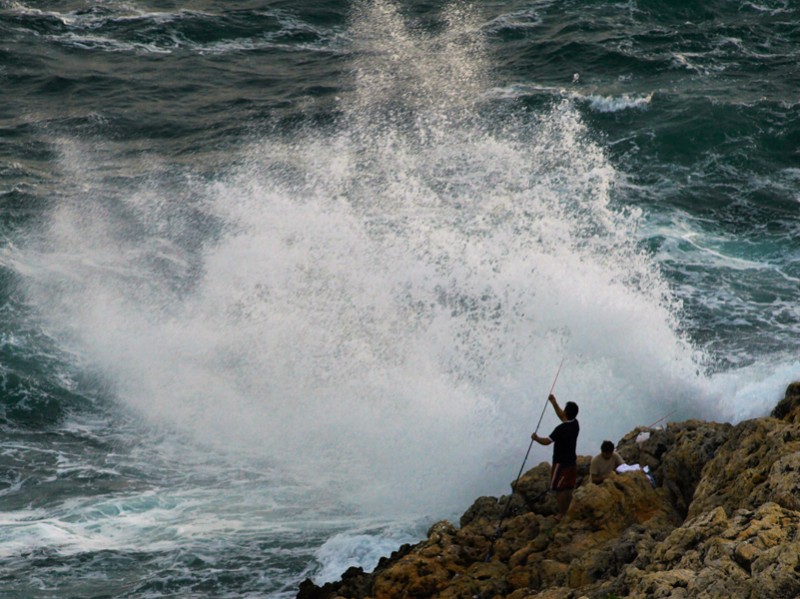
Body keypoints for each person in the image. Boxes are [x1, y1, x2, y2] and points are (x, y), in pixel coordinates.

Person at [531, 394, 579, 519]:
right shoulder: (576, 424)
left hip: (560, 463)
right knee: (568, 488)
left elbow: (547, 441)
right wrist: (553, 402)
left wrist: (536, 438)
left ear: (566, 413)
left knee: (559, 489)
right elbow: (563, 417)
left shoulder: (560, 429)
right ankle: (568, 511)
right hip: (572, 462)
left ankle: (561, 514)